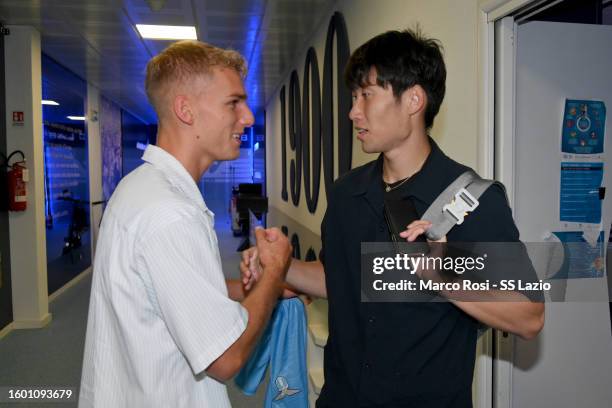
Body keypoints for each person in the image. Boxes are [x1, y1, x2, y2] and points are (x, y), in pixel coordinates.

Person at [242, 29, 544, 407]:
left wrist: (444, 278)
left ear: (414, 100)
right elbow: (341, 279)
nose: (353, 112)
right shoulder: (346, 193)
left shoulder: (472, 200)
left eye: (366, 95)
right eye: (354, 97)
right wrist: (278, 265)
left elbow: (529, 316)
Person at [79, 40, 292, 408]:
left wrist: (246, 289)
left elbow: (165, 293)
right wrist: (273, 274)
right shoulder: (171, 213)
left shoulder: (139, 188)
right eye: (233, 103)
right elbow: (226, 359)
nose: (248, 118)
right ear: (186, 110)